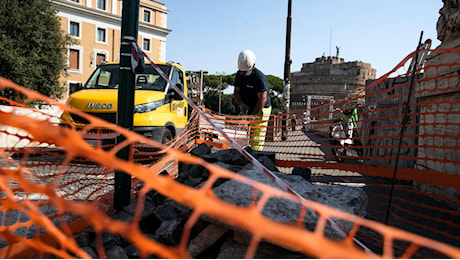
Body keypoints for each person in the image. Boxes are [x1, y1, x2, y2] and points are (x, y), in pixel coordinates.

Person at [233, 49, 272, 151]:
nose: (244, 75)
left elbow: (262, 99)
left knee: (257, 137)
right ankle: (250, 154)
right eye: (243, 72)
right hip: (249, 107)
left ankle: (256, 158)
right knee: (250, 135)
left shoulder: (259, 78)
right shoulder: (239, 75)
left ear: (253, 66)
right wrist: (241, 104)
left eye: (246, 72)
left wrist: (254, 115)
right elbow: (236, 92)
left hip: (261, 108)